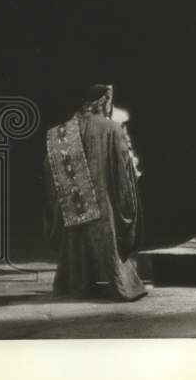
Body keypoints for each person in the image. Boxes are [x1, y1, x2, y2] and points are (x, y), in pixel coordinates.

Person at [43, 84, 146, 301]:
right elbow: (122, 170)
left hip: (74, 203)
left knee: (77, 235)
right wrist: (126, 200)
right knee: (108, 240)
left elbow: (50, 169)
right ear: (103, 101)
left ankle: (77, 284)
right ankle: (117, 283)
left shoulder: (62, 132)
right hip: (104, 199)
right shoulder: (112, 129)